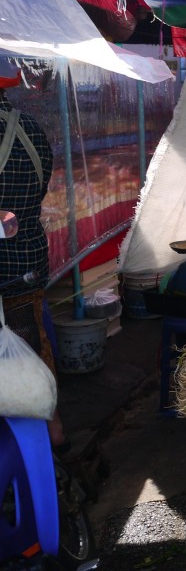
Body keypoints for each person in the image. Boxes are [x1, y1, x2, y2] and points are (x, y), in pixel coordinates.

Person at [0, 60, 64, 446]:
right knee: (31, 342)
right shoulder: (32, 129)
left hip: (5, 263)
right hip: (28, 259)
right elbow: (39, 190)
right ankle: (52, 430)